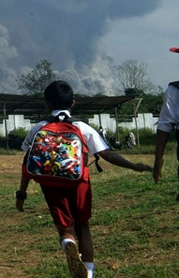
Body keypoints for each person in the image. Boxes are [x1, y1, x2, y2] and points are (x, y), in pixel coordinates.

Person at [18, 80, 151, 278]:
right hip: (79, 182)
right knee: (84, 226)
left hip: (50, 185)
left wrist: (22, 194)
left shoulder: (38, 128)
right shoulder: (82, 127)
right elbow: (107, 155)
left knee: (66, 229)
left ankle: (68, 242)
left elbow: (27, 163)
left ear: (46, 104)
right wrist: (134, 166)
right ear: (73, 103)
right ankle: (88, 273)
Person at [153, 45, 179, 202]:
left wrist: (159, 158)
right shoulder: (174, 90)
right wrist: (158, 158)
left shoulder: (175, 90)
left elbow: (164, 125)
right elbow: (165, 124)